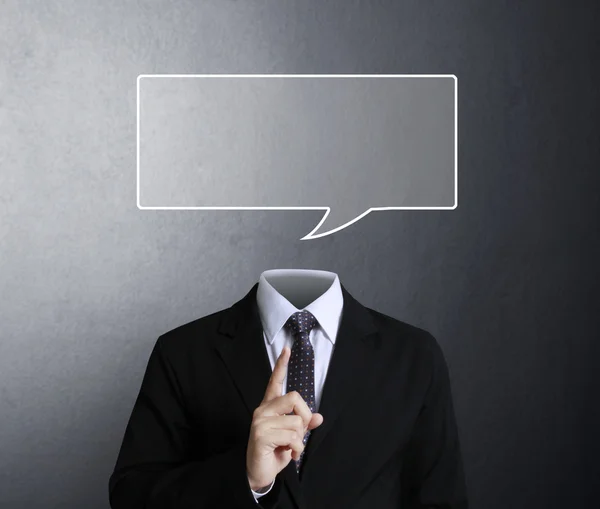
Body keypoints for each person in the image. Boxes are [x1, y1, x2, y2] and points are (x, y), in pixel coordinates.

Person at [108, 269, 468, 508]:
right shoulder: (183, 351)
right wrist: (246, 477)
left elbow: (442, 499)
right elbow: (131, 494)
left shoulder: (413, 354)